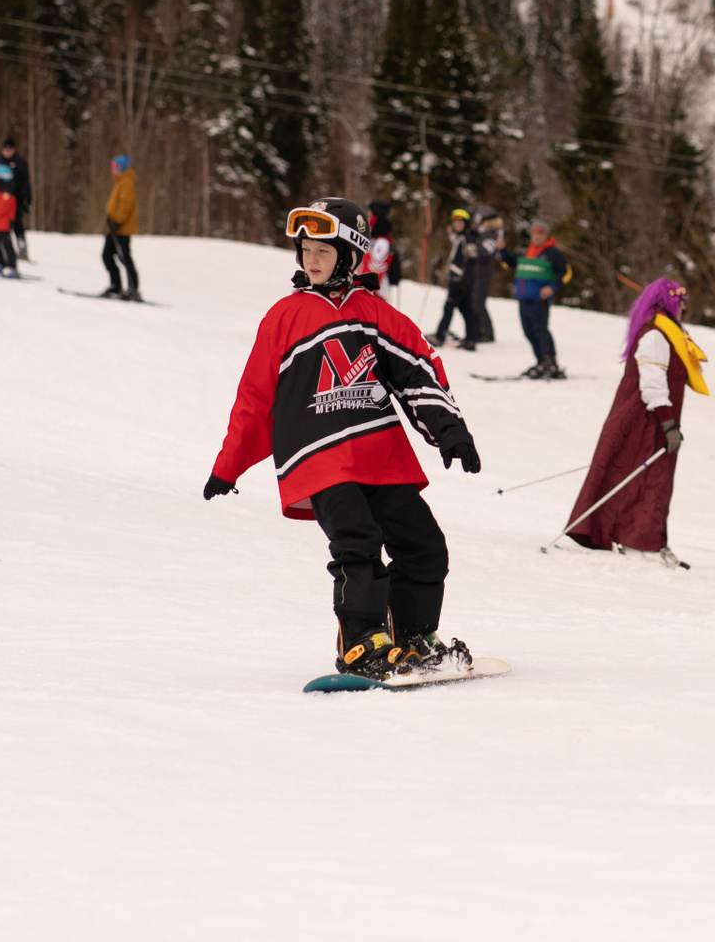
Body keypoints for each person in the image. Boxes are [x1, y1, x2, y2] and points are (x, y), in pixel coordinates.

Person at [203, 198, 483, 680]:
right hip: (320, 458)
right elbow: (254, 399)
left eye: (323, 251)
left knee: (424, 545)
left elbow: (419, 371)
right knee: (358, 542)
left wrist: (450, 431)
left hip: (381, 457)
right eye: (305, 250)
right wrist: (228, 466)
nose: (311, 259)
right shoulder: (283, 317)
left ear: (350, 256)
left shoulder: (375, 314)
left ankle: (414, 637)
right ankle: (362, 643)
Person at [565, 277, 709, 566]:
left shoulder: (668, 333)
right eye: (679, 301)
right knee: (647, 479)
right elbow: (652, 383)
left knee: (653, 478)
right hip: (645, 420)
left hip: (653, 418)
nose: (683, 307)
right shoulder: (655, 335)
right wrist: (668, 424)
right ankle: (638, 543)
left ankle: (646, 540)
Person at [507, 219, 569, 379]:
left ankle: (550, 362)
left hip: (539, 299)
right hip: (523, 297)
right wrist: (501, 251)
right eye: (535, 232)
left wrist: (552, 287)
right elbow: (509, 264)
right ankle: (541, 361)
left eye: (541, 233)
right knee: (528, 331)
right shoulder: (525, 251)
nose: (537, 236)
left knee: (540, 330)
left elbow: (566, 272)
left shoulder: (551, 252)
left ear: (547, 235)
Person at [430, 209, 479, 348]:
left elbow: (471, 261)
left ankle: (439, 336)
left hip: (460, 281)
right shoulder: (461, 237)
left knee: (449, 308)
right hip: (459, 280)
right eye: (455, 222)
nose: (457, 224)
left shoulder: (468, 238)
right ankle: (471, 339)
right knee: (466, 310)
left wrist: (464, 281)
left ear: (466, 223)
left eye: (460, 222)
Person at [103, 154, 141, 301]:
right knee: (107, 256)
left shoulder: (126, 183)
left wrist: (117, 221)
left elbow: (126, 205)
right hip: (113, 228)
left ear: (121, 168)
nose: (112, 169)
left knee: (124, 257)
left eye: (114, 166)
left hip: (121, 229)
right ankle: (116, 286)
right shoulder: (120, 182)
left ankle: (133, 289)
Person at [0, 137, 32, 261]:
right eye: (5, 149)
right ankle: (5, 248)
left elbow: (26, 182)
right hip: (1, 200)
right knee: (2, 225)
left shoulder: (20, 163)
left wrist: (28, 200)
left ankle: (22, 246)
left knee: (16, 223)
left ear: (14, 150)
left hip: (16, 199)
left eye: (9, 149)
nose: (7, 151)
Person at [470, 210, 503, 343]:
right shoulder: (482, 233)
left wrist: (474, 249)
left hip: (483, 273)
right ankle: (478, 331)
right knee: (474, 302)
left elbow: (487, 250)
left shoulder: (492, 233)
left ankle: (487, 333)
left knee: (478, 303)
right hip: (477, 271)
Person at [359, 200, 398, 304]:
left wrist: (366, 292)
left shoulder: (382, 242)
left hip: (374, 295)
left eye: (369, 214)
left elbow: (376, 270)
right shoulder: (374, 240)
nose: (368, 218)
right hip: (367, 293)